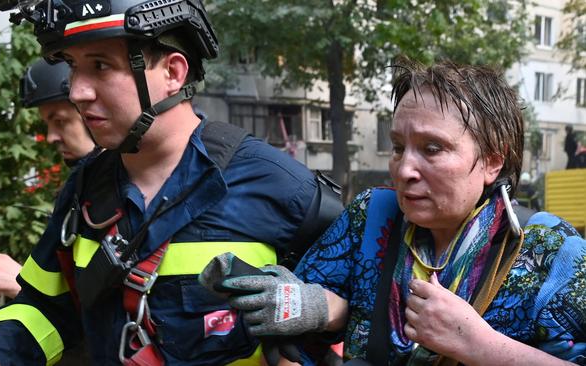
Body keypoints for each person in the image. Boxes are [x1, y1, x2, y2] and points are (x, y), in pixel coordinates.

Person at [0, 0, 341, 365]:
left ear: (173, 72)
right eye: (73, 66)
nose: (76, 91)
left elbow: (362, 311)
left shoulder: (279, 185)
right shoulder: (84, 190)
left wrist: (324, 315)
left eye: (101, 66)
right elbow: (45, 309)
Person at [201, 61, 586, 365]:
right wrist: (312, 307)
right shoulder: (371, 216)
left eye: (432, 148)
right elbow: (310, 320)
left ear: (491, 161)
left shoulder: (551, 250)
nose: (403, 170)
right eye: (399, 146)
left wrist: (480, 346)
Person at [0, 60, 96, 301]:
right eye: (47, 124)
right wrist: (4, 276)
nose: (51, 137)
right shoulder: (81, 189)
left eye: (60, 121)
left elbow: (112, 313)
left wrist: (21, 285)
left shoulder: (123, 194)